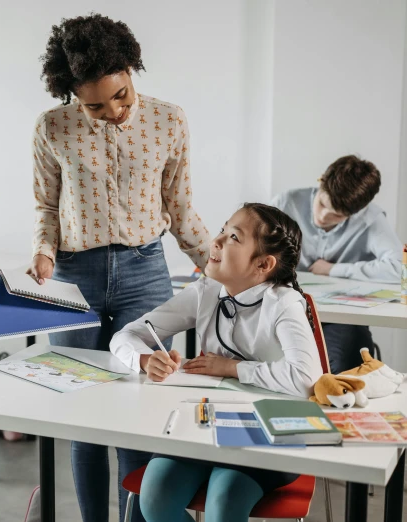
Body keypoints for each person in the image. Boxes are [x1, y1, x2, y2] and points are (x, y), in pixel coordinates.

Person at [27, 14, 211, 522]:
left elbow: (181, 207)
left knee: (138, 408)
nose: (113, 111)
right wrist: (43, 250)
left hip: (145, 271)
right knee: (83, 414)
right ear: (72, 95)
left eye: (122, 96)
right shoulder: (52, 128)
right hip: (72, 277)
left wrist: (218, 267)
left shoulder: (169, 120)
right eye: (95, 105)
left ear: (132, 70)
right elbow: (46, 206)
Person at [110, 203, 323, 522]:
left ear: (264, 264)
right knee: (155, 498)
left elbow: (306, 378)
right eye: (222, 230)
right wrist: (143, 359)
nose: (217, 241)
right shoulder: (206, 291)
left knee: (224, 504)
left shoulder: (284, 303)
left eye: (234, 237)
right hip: (205, 427)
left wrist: (232, 368)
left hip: (269, 436)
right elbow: (125, 336)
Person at [272, 155, 403, 373]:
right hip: (285, 308)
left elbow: (399, 268)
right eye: (322, 204)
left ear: (356, 212)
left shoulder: (371, 219)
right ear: (321, 181)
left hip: (340, 318)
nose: (323, 217)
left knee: (347, 361)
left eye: (337, 216)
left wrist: (334, 269)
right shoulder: (286, 203)